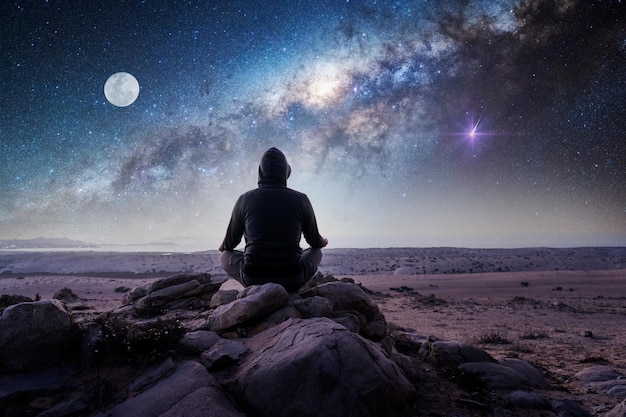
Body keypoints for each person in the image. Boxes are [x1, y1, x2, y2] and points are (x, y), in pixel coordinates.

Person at [219, 147, 328, 293]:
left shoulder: (245, 199)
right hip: (292, 278)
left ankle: (256, 291)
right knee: (317, 251)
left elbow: (230, 244)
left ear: (260, 172)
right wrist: (322, 242)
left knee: (226, 255)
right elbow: (314, 241)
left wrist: (223, 246)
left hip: (253, 277)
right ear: (286, 172)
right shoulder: (301, 199)